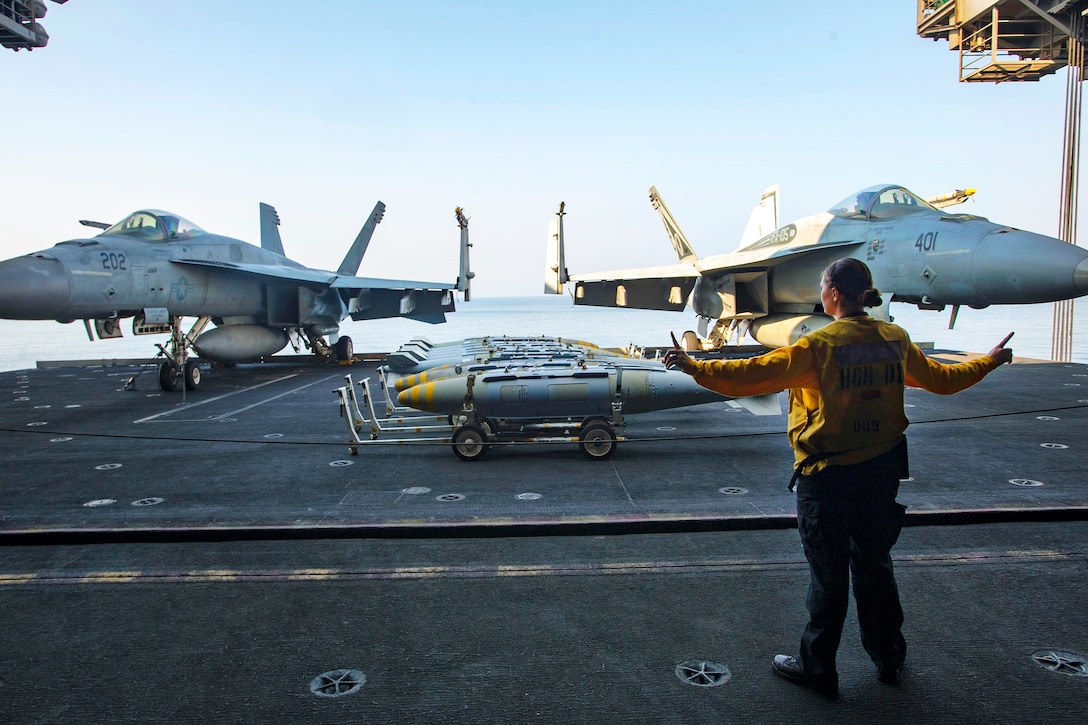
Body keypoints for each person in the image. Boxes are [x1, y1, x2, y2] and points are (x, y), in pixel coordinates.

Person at [662, 258, 1013, 699]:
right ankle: (889, 659)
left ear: (832, 294)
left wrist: (694, 366)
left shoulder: (820, 346)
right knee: (875, 569)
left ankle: (818, 670)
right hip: (881, 472)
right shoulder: (894, 339)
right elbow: (943, 380)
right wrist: (989, 361)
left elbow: (751, 375)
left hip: (827, 478)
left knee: (828, 579)